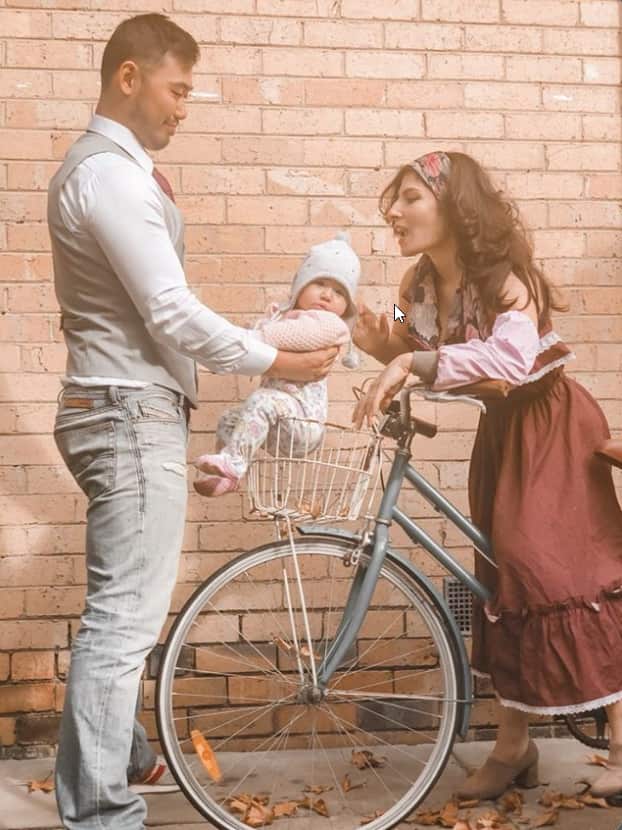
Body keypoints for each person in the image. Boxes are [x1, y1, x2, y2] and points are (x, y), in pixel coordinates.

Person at [47, 13, 337, 830]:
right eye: (177, 90)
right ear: (129, 78)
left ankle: (122, 756)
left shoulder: (114, 173)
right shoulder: (110, 176)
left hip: (128, 410)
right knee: (124, 618)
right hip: (126, 410)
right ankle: (103, 812)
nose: (185, 107)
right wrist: (274, 361)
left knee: (121, 609)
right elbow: (171, 311)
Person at [352, 150, 622, 800]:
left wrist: (408, 368)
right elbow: (403, 336)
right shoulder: (415, 287)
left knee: (558, 574)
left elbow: (506, 358)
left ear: (454, 206)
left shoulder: (507, 277)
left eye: (410, 197)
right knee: (503, 576)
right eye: (394, 199)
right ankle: (513, 747)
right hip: (502, 437)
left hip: (552, 426)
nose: (394, 210)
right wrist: (368, 333)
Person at [194, 232, 360, 496]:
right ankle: (229, 473)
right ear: (300, 285)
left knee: (262, 399)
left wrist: (253, 338)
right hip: (276, 423)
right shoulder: (285, 316)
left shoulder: (328, 323)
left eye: (340, 292)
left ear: (346, 305)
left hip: (302, 422)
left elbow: (296, 336)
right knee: (230, 420)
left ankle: (234, 464)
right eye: (319, 283)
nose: (328, 295)